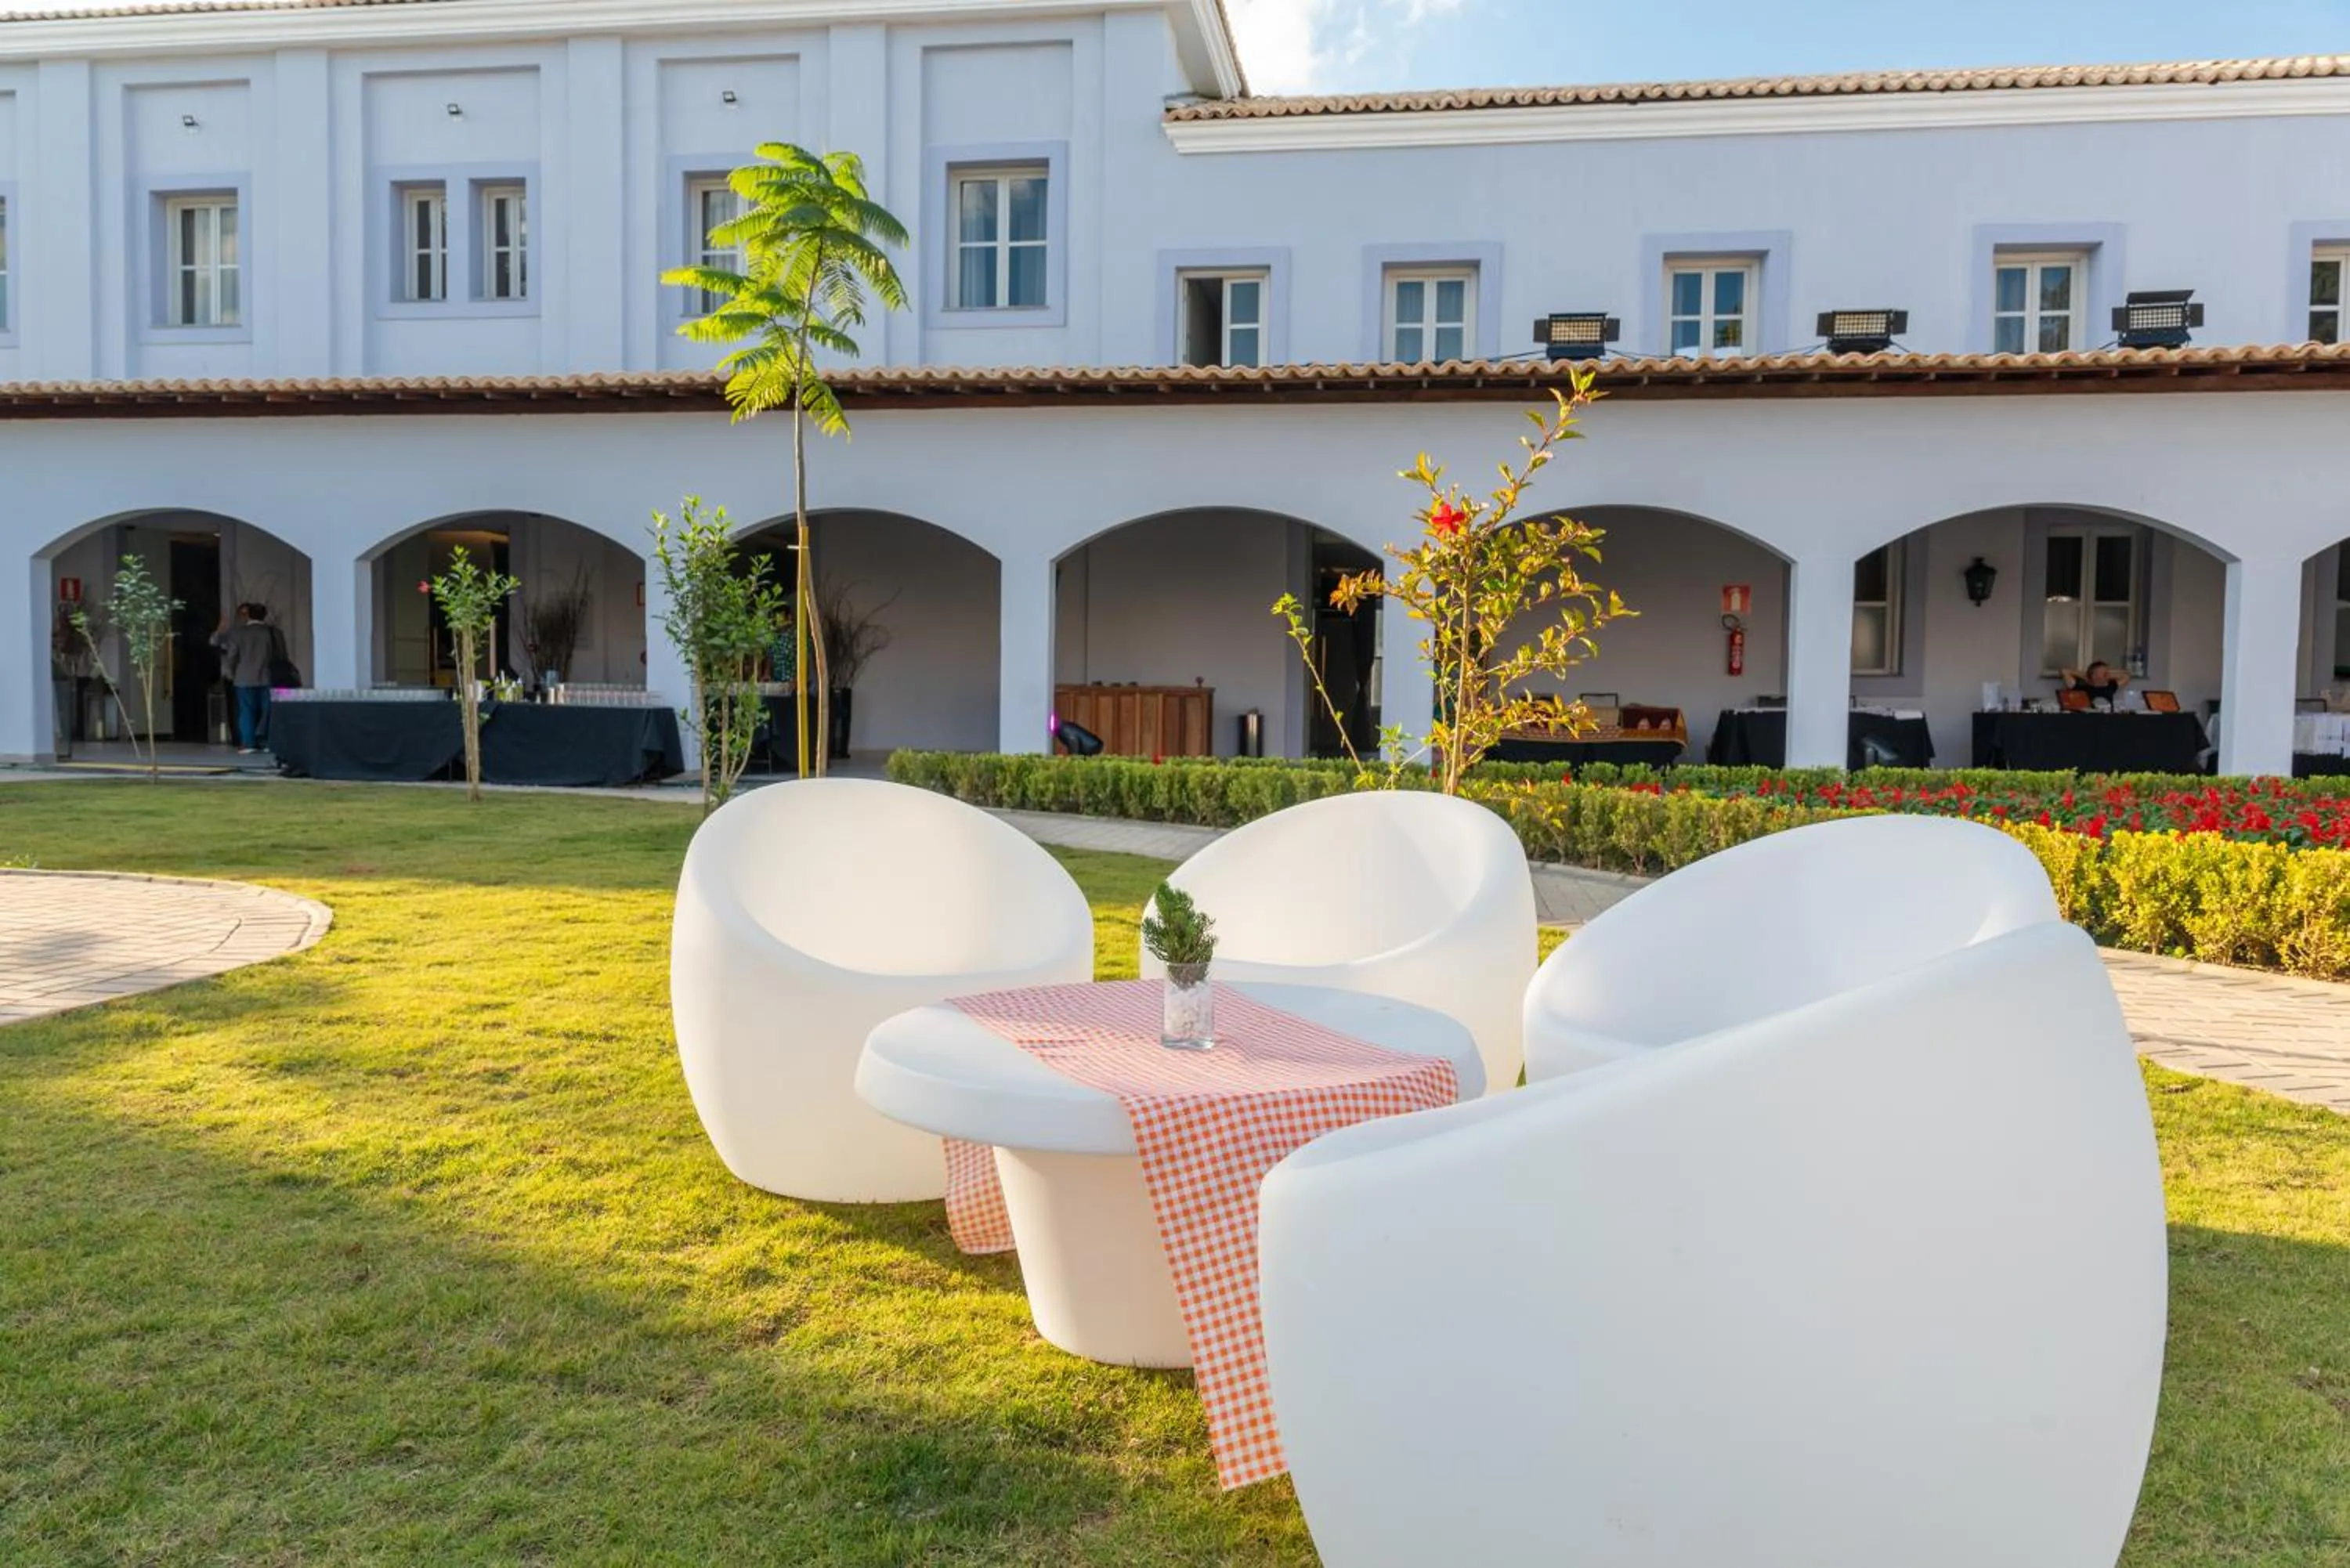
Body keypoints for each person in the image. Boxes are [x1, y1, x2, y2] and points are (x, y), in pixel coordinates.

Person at [212, 602, 280, 754]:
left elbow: (232, 655)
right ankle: (266, 741)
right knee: (268, 711)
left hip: (243, 677)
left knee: (246, 711)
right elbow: (280, 655)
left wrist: (231, 672)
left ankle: (249, 743)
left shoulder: (239, 633)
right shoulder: (272, 632)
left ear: (248, 615)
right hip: (267, 676)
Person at [2062, 659, 2131, 708]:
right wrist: (2087, 677)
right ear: (2093, 675)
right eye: (2103, 672)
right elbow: (2065, 671)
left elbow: (2126, 677)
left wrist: (2108, 676)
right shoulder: (2082, 687)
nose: (2107, 673)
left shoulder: (2111, 686)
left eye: (2107, 672)